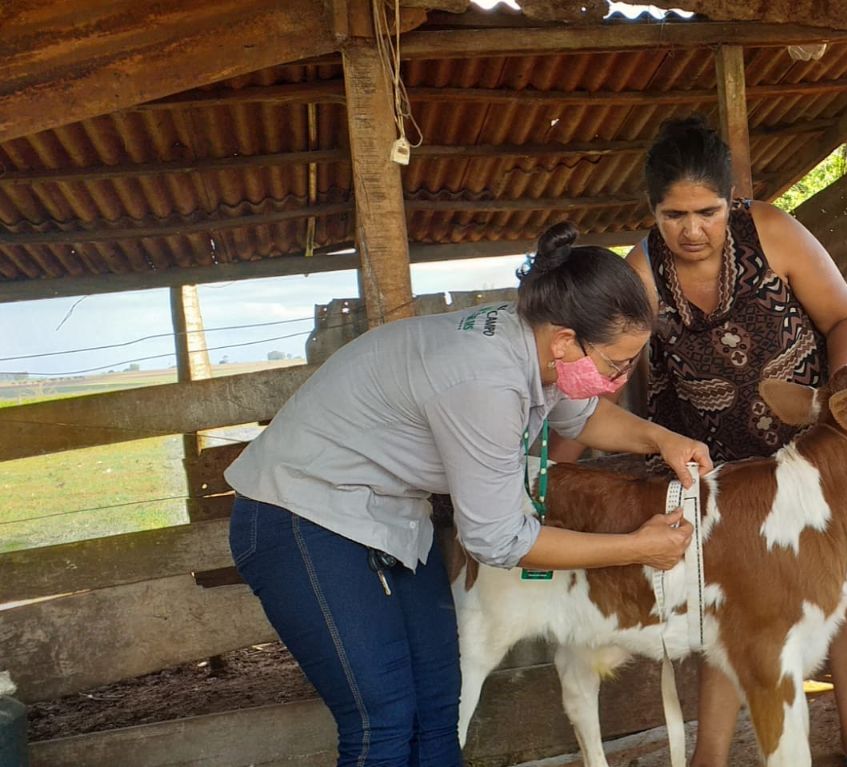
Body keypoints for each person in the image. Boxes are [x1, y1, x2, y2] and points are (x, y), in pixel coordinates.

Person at [223, 220, 713, 767]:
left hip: (388, 517)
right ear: (567, 341)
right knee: (382, 718)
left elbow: (584, 415)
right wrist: (636, 549)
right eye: (617, 364)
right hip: (301, 515)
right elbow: (499, 539)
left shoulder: (536, 348)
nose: (621, 378)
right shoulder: (485, 381)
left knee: (438, 703)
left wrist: (661, 438)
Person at [549, 118, 847, 767]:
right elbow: (593, 383)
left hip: (807, 448)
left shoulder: (773, 232)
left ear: (731, 202)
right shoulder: (643, 271)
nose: (691, 229)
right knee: (726, 598)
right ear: (653, 211)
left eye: (707, 211)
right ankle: (709, 757)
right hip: (715, 464)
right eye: (674, 214)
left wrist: (838, 405)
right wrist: (548, 477)